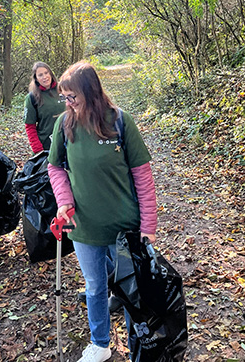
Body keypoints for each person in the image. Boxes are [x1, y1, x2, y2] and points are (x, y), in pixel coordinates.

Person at [47, 61, 157, 362]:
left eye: (73, 97)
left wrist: (148, 227)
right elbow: (55, 167)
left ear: (91, 92)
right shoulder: (64, 125)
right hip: (84, 226)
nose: (68, 103)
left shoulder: (120, 122)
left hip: (125, 226)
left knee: (132, 290)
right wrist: (64, 200)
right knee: (95, 287)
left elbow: (143, 177)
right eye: (64, 98)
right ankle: (100, 343)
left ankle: (141, 345)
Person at [24, 62, 65, 153]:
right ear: (36, 79)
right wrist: (38, 149)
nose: (44, 77)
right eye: (40, 75)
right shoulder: (32, 97)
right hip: (46, 146)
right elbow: (30, 126)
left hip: (68, 142)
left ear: (51, 73)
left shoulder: (63, 89)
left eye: (46, 73)